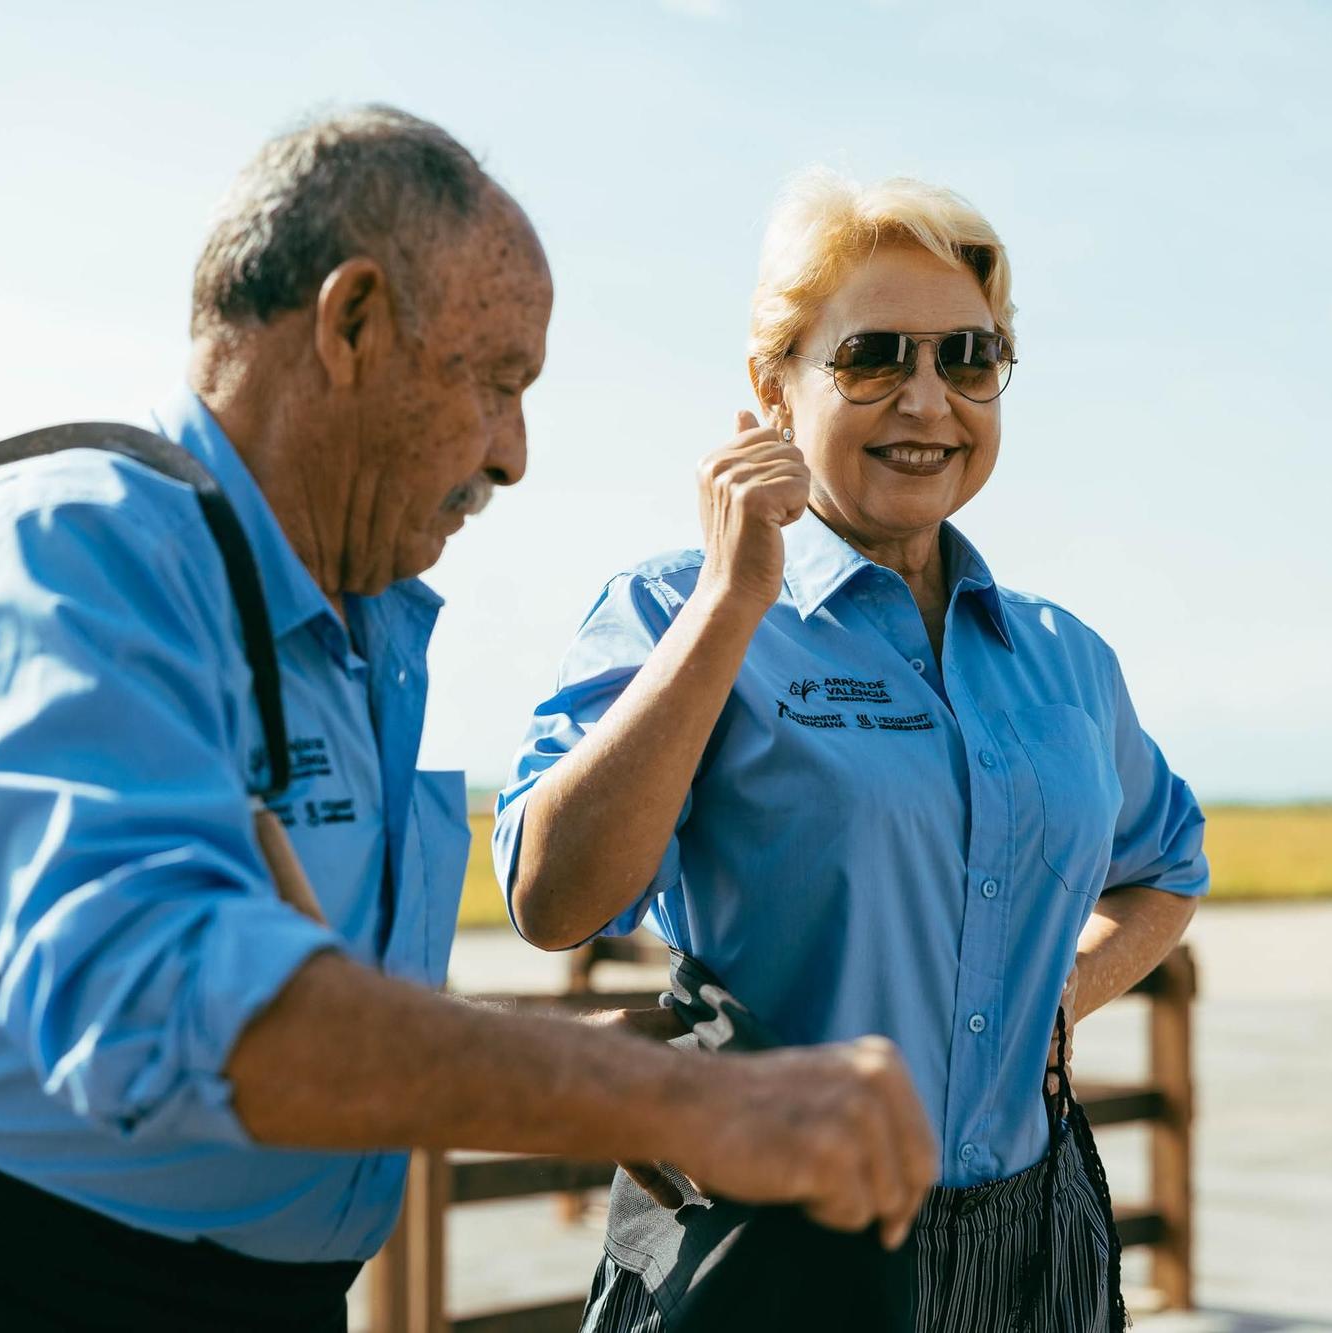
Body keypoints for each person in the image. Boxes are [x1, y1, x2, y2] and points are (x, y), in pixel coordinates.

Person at [0, 111, 938, 1332]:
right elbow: (166, 1002)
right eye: (496, 381)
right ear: (348, 324)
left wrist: (570, 1056)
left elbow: (300, 996)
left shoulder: (357, 616)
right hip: (14, 1293)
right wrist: (660, 1102)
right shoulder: (76, 550)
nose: (513, 454)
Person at [495, 169, 1209, 1330]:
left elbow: (1165, 867)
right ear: (772, 388)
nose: (927, 401)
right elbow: (552, 897)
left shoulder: (1061, 659)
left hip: (1033, 1248)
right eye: (873, 355)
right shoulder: (671, 610)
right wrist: (731, 599)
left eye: (968, 360)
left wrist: (1051, 995)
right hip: (771, 1245)